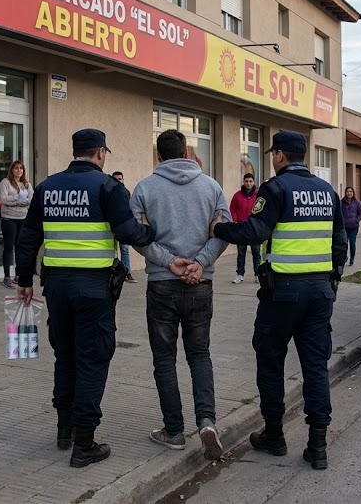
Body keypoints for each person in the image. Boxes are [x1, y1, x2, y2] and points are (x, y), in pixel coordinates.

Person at [16, 128, 155, 468]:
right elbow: (127, 232)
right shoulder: (109, 187)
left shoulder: (47, 187)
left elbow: (29, 235)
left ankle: (65, 431)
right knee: (92, 360)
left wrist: (23, 279)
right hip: (94, 289)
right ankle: (85, 444)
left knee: (65, 357)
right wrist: (150, 231)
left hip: (57, 289)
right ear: (100, 153)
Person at [209, 131, 346, 470]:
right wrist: (331, 283)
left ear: (281, 155)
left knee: (270, 361)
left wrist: (219, 230)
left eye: (274, 153)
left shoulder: (276, 188)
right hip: (319, 293)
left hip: (283, 293)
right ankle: (318, 447)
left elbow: (255, 232)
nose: (272, 158)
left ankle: (274, 435)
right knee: (315, 367)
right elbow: (339, 242)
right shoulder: (327, 191)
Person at [130, 129, 231, 461]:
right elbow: (224, 231)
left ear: (158, 155)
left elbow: (137, 236)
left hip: (161, 284)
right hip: (199, 285)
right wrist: (200, 263)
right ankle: (207, 423)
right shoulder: (212, 186)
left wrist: (168, 261)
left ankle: (173, 432)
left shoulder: (144, 188)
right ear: (187, 152)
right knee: (199, 356)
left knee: (164, 360)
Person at [0, 160, 33, 289]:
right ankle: (7, 276)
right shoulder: (5, 183)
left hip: (23, 218)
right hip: (9, 219)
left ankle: (18, 275)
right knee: (9, 247)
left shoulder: (26, 184)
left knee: (20, 248)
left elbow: (31, 198)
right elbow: (3, 199)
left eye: (21, 168)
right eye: (16, 168)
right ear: (12, 170)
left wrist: (20, 201)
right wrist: (17, 200)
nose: (19, 170)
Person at [229, 172, 261, 283]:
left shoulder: (258, 195)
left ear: (254, 182)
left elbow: (261, 209)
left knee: (256, 252)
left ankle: (258, 274)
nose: (248, 183)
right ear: (243, 182)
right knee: (241, 253)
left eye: (250, 181)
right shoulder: (237, 195)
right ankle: (239, 274)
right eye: (246, 181)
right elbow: (232, 209)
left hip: (254, 228)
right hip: (241, 228)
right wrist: (235, 222)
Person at [111, 171, 136, 284]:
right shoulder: (108, 192)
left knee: (125, 250)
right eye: (115, 179)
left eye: (120, 179)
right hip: (112, 227)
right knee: (112, 251)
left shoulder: (126, 193)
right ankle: (113, 272)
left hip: (123, 226)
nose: (118, 181)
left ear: (123, 180)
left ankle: (127, 273)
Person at [341, 187, 361, 266]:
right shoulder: (342, 202)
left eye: (351, 191)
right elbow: (339, 213)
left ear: (353, 193)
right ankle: (344, 258)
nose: (349, 193)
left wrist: (356, 220)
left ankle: (352, 259)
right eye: (347, 191)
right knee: (344, 244)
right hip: (345, 227)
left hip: (354, 227)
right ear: (345, 193)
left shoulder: (357, 202)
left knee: (352, 243)